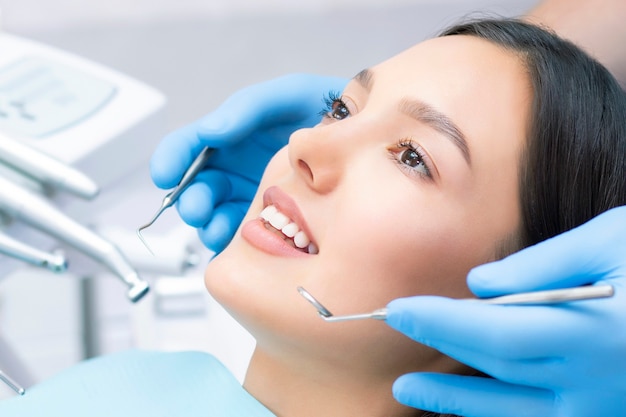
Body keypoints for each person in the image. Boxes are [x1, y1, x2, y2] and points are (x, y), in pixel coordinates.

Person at [2, 16, 624, 417]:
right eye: (341, 109)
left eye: (411, 157)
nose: (304, 146)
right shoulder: (135, 387)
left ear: (532, 297)